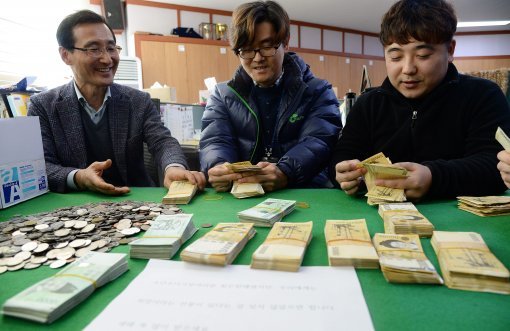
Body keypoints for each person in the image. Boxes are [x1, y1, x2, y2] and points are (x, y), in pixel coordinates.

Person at [331, 0, 510, 200]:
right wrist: (344, 173)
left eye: (423, 55)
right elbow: (341, 157)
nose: (408, 69)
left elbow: (495, 167)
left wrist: (434, 177)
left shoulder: (483, 95)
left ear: (450, 50)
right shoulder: (369, 103)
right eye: (396, 57)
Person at [28, 10, 205, 195]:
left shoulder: (138, 101)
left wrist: (173, 167)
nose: (106, 58)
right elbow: (41, 167)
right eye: (94, 49)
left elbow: (162, 142)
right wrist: (79, 177)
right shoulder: (43, 106)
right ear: (66, 55)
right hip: (74, 208)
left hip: (137, 201)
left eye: (111, 48)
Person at [199, 1, 341, 192]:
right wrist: (218, 166)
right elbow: (215, 140)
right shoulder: (223, 94)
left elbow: (319, 140)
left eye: (267, 47)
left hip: (304, 192)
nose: (257, 58)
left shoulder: (317, 91)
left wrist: (285, 171)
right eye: (247, 50)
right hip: (241, 195)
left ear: (285, 43)